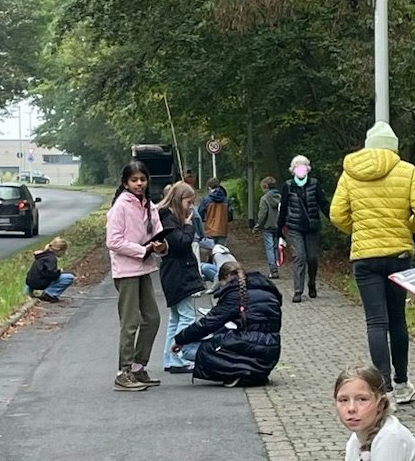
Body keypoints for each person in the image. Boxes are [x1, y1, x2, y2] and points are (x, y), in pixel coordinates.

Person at [331, 122, 415, 403]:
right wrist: (410, 226)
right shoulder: (406, 171)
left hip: (365, 257)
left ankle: (383, 388)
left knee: (375, 322)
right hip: (398, 255)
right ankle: (402, 383)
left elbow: (337, 214)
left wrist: (359, 229)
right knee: (397, 319)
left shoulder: (351, 173)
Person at [105, 160, 167, 391]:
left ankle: (139, 367)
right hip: (126, 270)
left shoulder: (149, 205)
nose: (139, 183)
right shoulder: (120, 206)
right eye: (134, 180)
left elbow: (158, 233)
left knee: (152, 319)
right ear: (125, 182)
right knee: (130, 322)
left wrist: (161, 247)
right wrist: (142, 250)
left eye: (142, 179)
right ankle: (123, 371)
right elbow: (114, 241)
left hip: (145, 268)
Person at [173, 261, 283, 386]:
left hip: (254, 347)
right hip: (271, 349)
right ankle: (252, 371)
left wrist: (180, 339)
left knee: (187, 349)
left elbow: (208, 323)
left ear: (225, 278)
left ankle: (237, 372)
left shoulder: (234, 295)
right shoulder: (267, 290)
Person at [155, 182, 209, 374]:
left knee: (175, 317)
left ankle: (169, 358)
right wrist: (188, 226)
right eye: (189, 202)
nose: (191, 207)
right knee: (186, 316)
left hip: (174, 273)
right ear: (179, 200)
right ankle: (179, 357)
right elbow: (182, 244)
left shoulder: (166, 217)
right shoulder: (169, 219)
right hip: (179, 274)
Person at [276, 155, 325, 303]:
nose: (300, 169)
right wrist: (280, 229)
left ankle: (311, 283)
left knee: (312, 258)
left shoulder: (315, 184)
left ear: (308, 169)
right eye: (297, 167)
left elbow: (323, 204)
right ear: (293, 170)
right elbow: (283, 208)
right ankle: (298, 290)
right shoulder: (288, 186)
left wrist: (335, 218)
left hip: (312, 227)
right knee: (299, 257)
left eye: (303, 166)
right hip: (294, 227)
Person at [25, 237, 75, 302]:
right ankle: (50, 294)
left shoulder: (42, 255)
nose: (64, 254)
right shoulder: (51, 258)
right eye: (64, 251)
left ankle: (28, 292)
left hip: (31, 282)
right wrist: (59, 272)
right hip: (41, 283)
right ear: (59, 250)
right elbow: (52, 274)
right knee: (69, 277)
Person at [253, 176, 283, 278]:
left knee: (269, 248)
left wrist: (257, 227)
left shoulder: (265, 198)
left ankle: (273, 270)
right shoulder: (281, 197)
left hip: (268, 227)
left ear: (265, 186)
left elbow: (262, 215)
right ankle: (277, 266)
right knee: (275, 248)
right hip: (278, 226)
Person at [194, 177, 233, 250]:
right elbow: (230, 216)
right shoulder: (226, 200)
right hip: (222, 230)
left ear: (209, 187)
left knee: (210, 252)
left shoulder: (206, 199)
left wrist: (204, 219)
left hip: (210, 230)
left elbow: (200, 214)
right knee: (220, 252)